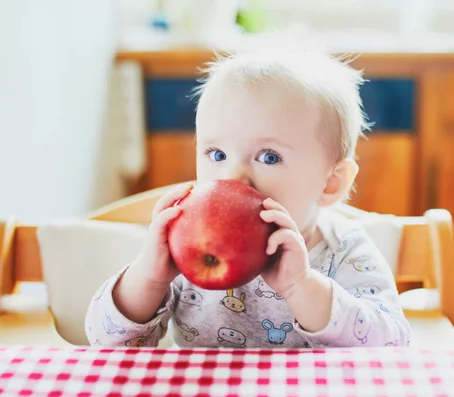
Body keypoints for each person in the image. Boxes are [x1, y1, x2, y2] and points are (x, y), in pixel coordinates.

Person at [85, 45, 411, 348]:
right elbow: (107, 342)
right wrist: (149, 278)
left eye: (269, 156)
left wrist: (302, 286)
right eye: (216, 154)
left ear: (330, 183)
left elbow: (393, 346)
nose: (232, 178)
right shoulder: (184, 246)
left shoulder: (344, 252)